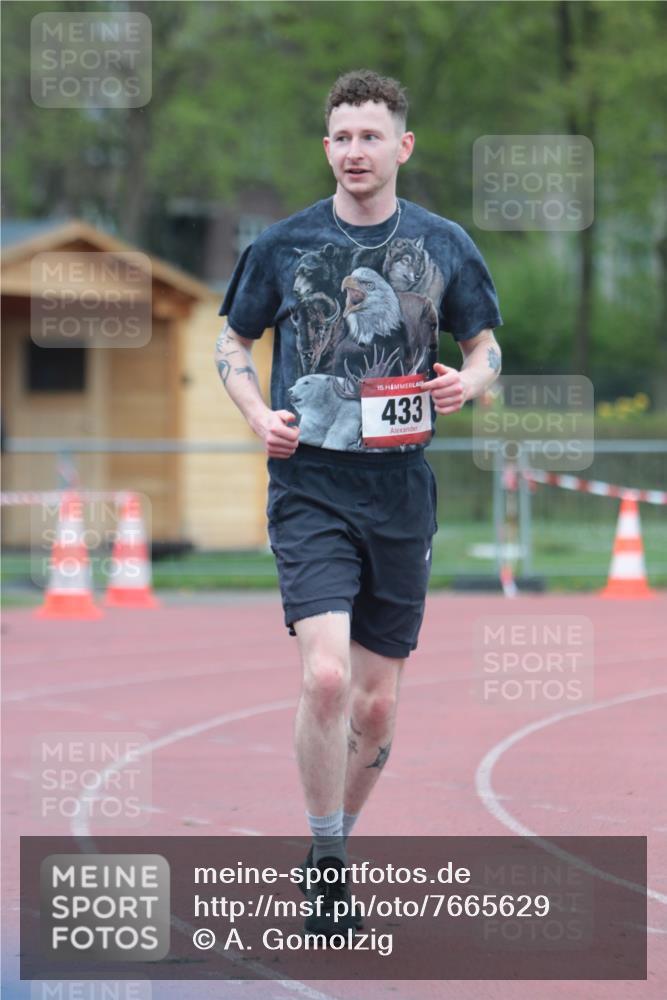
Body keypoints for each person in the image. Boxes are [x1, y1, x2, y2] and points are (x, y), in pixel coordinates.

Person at [215, 69, 502, 936]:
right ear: (326, 147)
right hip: (309, 484)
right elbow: (233, 336)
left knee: (376, 703)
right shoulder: (282, 245)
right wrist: (259, 413)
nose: (353, 152)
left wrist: (469, 383)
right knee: (329, 674)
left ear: (401, 147)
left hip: (400, 492)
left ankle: (334, 844)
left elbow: (486, 347)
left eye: (369, 137)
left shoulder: (445, 244)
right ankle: (327, 850)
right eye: (340, 137)